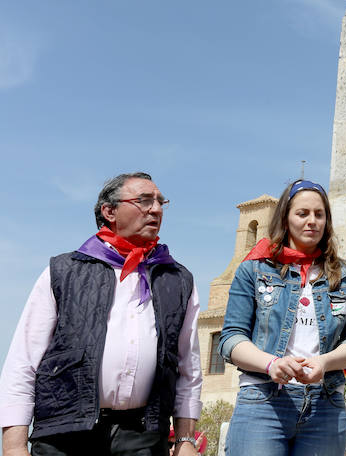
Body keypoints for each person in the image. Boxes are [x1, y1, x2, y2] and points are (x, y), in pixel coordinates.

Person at [0, 172, 203, 456]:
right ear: (109, 211)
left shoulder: (178, 279)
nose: (155, 209)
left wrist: (185, 440)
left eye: (160, 202)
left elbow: (188, 369)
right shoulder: (64, 271)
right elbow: (24, 361)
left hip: (143, 436)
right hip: (65, 433)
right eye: (143, 201)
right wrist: (13, 446)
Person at [218, 179, 346, 456]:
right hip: (263, 402)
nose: (312, 221)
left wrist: (325, 362)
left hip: (325, 405)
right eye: (302, 213)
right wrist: (271, 363)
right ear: (285, 219)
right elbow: (230, 339)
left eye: (319, 214)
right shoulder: (254, 269)